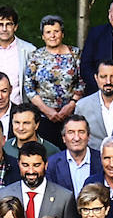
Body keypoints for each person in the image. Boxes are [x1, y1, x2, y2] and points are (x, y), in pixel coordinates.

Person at [25, 14, 85, 144]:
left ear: (62, 34)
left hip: (71, 115)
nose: (52, 35)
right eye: (48, 32)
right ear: (43, 36)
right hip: (44, 116)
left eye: (56, 31)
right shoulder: (35, 56)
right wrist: (46, 110)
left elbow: (82, 81)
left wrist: (71, 105)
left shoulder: (75, 54)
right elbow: (29, 87)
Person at [0, 141, 79, 218]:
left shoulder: (64, 198)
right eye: (25, 165)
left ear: (46, 165)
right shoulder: (3, 195)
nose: (31, 171)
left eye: (36, 165)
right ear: (18, 164)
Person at [0, 6, 35, 105]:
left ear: (15, 27)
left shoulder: (29, 50)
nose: (4, 29)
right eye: (0, 25)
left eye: (8, 24)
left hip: (18, 108)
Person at [46, 114, 103, 193]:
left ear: (88, 136)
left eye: (81, 132)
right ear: (64, 138)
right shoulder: (52, 164)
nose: (76, 138)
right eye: (71, 132)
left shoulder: (102, 160)